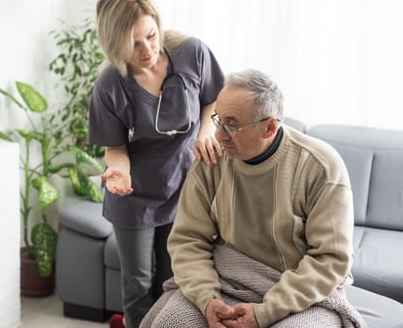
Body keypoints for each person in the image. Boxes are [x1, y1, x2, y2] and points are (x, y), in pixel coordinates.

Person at [140, 68, 366, 328]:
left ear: (269, 127)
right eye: (218, 120)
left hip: (303, 293)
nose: (218, 136)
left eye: (232, 124)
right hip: (227, 279)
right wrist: (207, 300)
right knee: (173, 322)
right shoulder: (212, 160)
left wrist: (265, 313)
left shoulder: (321, 166)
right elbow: (188, 240)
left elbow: (330, 260)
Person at [88, 0, 225, 328]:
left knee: (174, 280)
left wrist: (206, 130)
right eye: (133, 43)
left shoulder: (192, 53)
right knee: (138, 286)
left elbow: (214, 100)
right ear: (114, 42)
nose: (147, 49)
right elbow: (115, 148)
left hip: (183, 189)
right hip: (132, 197)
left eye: (150, 35)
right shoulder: (110, 85)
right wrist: (119, 173)